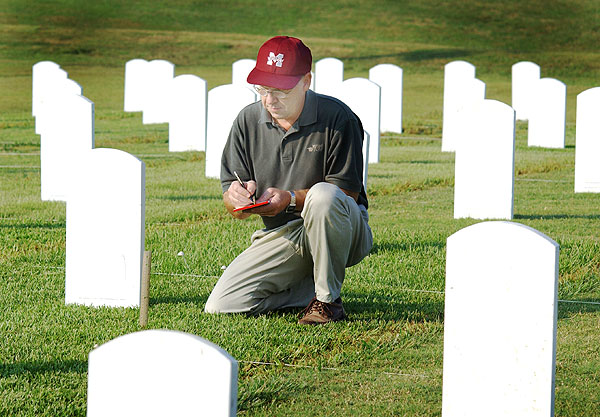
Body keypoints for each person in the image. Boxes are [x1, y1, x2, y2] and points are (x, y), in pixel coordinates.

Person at [204, 36, 373, 324]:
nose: (270, 100)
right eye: (263, 89)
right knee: (222, 304)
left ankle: (327, 302)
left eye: (281, 89)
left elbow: (345, 195)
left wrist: (290, 199)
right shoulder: (247, 120)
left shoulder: (339, 118)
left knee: (323, 196)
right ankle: (306, 292)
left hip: (345, 229)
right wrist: (236, 197)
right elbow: (231, 195)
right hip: (285, 235)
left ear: (306, 81)